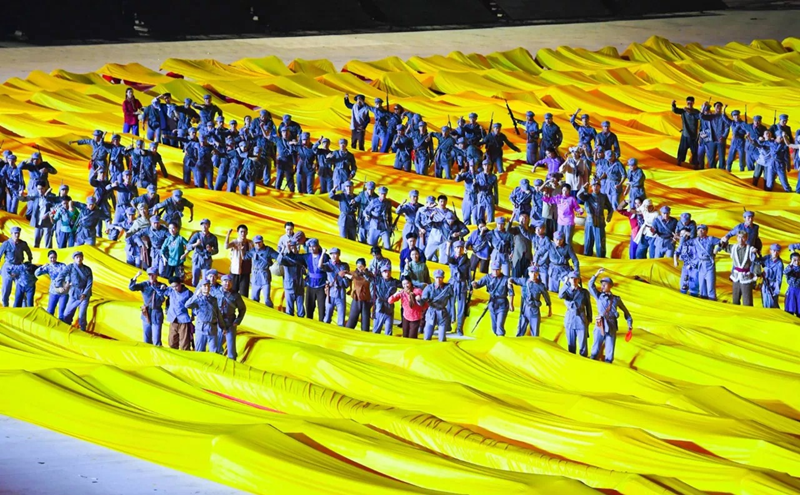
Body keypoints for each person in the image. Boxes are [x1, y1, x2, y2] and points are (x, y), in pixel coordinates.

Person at [587, 268, 633, 364]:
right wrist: (596, 274)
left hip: (611, 325)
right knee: (595, 348)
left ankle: (608, 365)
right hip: (600, 324)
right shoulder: (598, 296)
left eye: (605, 284)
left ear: (610, 286)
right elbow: (590, 285)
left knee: (610, 351)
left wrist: (629, 323)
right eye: (602, 284)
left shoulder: (616, 299)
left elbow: (626, 312)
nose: (603, 285)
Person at [715, 231, 758, 306]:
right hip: (736, 277)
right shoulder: (733, 248)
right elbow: (723, 247)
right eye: (739, 237)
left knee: (747, 301)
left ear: (746, 238)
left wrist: (756, 274)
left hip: (746, 277)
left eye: (743, 237)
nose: (741, 239)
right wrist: (723, 241)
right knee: (735, 300)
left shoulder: (750, 249)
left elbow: (756, 262)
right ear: (737, 238)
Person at [473, 261, 514, 337]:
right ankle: (497, 337)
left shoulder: (505, 279)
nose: (495, 272)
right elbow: (478, 285)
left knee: (499, 326)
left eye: (497, 270)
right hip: (492, 303)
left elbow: (511, 292)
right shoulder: (487, 277)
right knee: (494, 327)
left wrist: (511, 304)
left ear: (500, 269)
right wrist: (474, 284)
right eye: (493, 270)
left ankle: (500, 340)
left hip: (502, 304)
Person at [55, 251, 93, 331]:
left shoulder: (87, 269)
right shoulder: (70, 267)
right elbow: (61, 275)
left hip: (84, 294)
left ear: (83, 258)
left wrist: (85, 293)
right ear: (74, 259)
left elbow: (89, 283)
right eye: (77, 257)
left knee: (82, 315)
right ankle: (67, 328)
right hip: (74, 293)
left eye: (80, 257)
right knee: (67, 313)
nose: (79, 259)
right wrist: (59, 285)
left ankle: (83, 329)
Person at [129, 267, 167, 346]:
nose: (151, 277)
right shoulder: (145, 284)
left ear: (157, 275)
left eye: (153, 275)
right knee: (146, 338)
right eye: (149, 275)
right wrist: (136, 276)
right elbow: (132, 287)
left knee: (156, 339)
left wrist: (159, 289)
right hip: (146, 312)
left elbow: (165, 295)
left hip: (156, 312)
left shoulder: (161, 285)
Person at [509, 266, 551, 337]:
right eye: (532, 272)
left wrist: (549, 308)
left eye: (535, 273)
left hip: (534, 310)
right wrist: (509, 281)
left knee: (535, 333)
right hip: (524, 309)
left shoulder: (541, 286)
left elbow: (546, 297)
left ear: (538, 274)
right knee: (520, 331)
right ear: (528, 273)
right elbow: (513, 279)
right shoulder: (524, 281)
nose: (533, 274)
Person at [559, 271, 592, 356]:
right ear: (569, 279)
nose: (574, 280)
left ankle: (583, 360)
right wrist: (566, 284)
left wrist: (589, 319)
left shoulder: (584, 292)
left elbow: (588, 306)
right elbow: (560, 295)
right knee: (571, 346)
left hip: (581, 319)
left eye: (576, 278)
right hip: (570, 320)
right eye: (571, 278)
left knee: (583, 346)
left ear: (579, 280)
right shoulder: (566, 291)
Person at [577, 180, 613, 258]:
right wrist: (583, 188)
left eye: (597, 185)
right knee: (588, 241)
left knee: (600, 242)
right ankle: (587, 257)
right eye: (594, 185)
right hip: (590, 221)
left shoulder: (604, 196)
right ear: (591, 187)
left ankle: (601, 258)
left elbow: (610, 207)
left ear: (600, 187)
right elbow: (579, 195)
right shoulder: (587, 196)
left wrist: (609, 216)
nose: (595, 187)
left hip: (600, 221)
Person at [185, 279, 221, 352]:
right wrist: (196, 295)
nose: (206, 288)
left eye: (208, 286)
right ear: (201, 287)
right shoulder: (197, 299)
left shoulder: (214, 300)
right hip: (201, 327)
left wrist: (223, 326)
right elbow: (187, 305)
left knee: (214, 350)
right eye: (204, 286)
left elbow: (218, 313)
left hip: (212, 327)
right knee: (199, 350)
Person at [0, 226, 33, 307]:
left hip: (19, 267)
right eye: (15, 233)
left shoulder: (23, 244)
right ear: (11, 234)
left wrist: (29, 262)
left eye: (18, 233)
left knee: (22, 288)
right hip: (8, 267)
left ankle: (23, 307)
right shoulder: (6, 244)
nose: (17, 235)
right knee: (6, 289)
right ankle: (5, 306)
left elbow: (29, 252)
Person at [216, 274, 246, 360]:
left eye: (229, 282)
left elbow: (242, 309)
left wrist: (237, 321)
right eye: (225, 281)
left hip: (230, 323)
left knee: (231, 349)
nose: (227, 283)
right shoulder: (216, 293)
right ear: (221, 282)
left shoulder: (236, 296)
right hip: (218, 323)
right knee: (216, 347)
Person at [246, 235, 279, 308]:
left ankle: (270, 312)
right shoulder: (253, 251)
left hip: (264, 276)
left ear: (262, 241)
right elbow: (245, 257)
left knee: (267, 299)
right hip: (255, 277)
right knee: (254, 299)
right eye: (256, 243)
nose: (258, 244)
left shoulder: (268, 250)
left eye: (259, 242)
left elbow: (278, 257)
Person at [418, 269, 452, 341]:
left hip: (442, 312)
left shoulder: (448, 288)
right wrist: (419, 300)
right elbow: (423, 301)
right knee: (427, 336)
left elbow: (452, 302)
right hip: (431, 311)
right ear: (434, 278)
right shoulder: (429, 288)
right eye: (437, 278)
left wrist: (452, 316)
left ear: (443, 278)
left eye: (440, 278)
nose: (438, 280)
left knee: (442, 338)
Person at [276, 239, 307, 317]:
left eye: (294, 247)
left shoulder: (300, 258)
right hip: (289, 286)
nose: (292, 249)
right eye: (291, 247)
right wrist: (282, 250)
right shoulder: (286, 258)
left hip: (299, 287)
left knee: (301, 311)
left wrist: (306, 280)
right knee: (289, 311)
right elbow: (279, 260)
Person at [446, 240, 471, 336]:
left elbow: (469, 275)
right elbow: (449, 260)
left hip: (462, 285)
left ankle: (459, 328)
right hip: (453, 283)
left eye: (461, 248)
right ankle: (447, 324)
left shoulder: (467, 261)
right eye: (457, 247)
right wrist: (448, 247)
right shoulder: (452, 259)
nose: (459, 249)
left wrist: (470, 286)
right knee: (449, 305)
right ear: (454, 249)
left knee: (461, 307)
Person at [301, 239, 330, 321]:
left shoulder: (325, 256)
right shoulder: (307, 256)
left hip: (321, 286)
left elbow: (330, 268)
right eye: (310, 247)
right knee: (309, 307)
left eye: (314, 246)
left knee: (322, 308)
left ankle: (321, 324)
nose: (312, 249)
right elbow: (296, 258)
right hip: (310, 285)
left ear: (317, 246)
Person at [35, 250, 68, 318]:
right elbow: (36, 273)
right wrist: (43, 266)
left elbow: (68, 275)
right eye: (51, 258)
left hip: (63, 291)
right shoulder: (48, 267)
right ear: (48, 258)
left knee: (62, 312)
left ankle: (61, 324)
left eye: (54, 257)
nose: (53, 259)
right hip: (53, 291)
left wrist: (66, 286)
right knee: (50, 311)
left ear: (56, 257)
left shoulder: (62, 265)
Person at [322, 247, 350, 327]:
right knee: (327, 316)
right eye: (331, 254)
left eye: (335, 254)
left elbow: (347, 282)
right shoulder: (328, 265)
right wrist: (323, 253)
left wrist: (344, 277)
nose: (333, 256)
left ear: (339, 255)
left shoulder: (344, 265)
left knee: (341, 318)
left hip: (340, 292)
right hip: (331, 293)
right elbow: (320, 266)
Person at [163, 276, 193, 350]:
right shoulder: (170, 290)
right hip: (173, 319)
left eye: (176, 286)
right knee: (172, 342)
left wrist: (193, 315)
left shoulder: (187, 293)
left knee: (184, 344)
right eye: (172, 287)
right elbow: (160, 292)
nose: (174, 288)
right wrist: (162, 286)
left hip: (183, 320)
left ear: (180, 284)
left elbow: (195, 304)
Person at [187, 219, 219, 287]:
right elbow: (188, 246)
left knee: (206, 279)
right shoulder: (196, 235)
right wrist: (196, 244)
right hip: (197, 259)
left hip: (206, 260)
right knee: (195, 277)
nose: (204, 226)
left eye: (206, 224)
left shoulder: (213, 238)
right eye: (202, 224)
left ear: (209, 226)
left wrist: (211, 250)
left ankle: (204, 291)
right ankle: (195, 291)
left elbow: (216, 250)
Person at [225, 225, 254, 296]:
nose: (243, 234)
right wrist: (228, 234)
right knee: (232, 292)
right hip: (235, 271)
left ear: (247, 233)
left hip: (246, 271)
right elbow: (226, 246)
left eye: (244, 232)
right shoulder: (235, 242)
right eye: (241, 232)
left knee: (244, 294)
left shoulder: (250, 243)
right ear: (238, 232)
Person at [344, 258, 373, 331]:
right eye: (358, 266)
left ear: (364, 266)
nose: (359, 268)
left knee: (365, 323)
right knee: (351, 321)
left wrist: (365, 273)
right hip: (356, 299)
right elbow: (343, 274)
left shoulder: (369, 274)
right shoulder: (354, 273)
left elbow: (372, 280)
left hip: (366, 300)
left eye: (361, 266)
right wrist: (347, 276)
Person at [672, 96, 701, 167]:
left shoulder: (696, 112)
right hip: (685, 135)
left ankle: (695, 165)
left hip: (693, 136)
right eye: (688, 103)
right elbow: (675, 110)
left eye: (691, 103)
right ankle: (679, 162)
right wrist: (673, 104)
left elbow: (699, 116)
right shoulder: (683, 111)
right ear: (686, 103)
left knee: (695, 151)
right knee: (682, 150)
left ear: (693, 103)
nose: (689, 104)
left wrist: (689, 111)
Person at [372, 266, 400, 336]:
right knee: (376, 331)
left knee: (388, 332)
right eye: (385, 272)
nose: (387, 273)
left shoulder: (394, 282)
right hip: (379, 309)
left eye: (389, 271)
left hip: (389, 309)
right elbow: (367, 276)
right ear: (381, 273)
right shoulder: (377, 280)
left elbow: (406, 284)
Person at [674, 229, 699, 297]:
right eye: (681, 234)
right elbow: (676, 252)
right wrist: (675, 261)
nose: (682, 236)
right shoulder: (682, 244)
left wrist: (691, 264)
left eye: (684, 234)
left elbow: (697, 256)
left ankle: (694, 295)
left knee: (693, 283)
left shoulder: (695, 243)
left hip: (694, 267)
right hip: (685, 265)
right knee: (683, 283)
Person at [760, 244, 784, 309]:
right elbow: (758, 261)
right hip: (765, 283)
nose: (775, 253)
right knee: (765, 301)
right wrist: (754, 253)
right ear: (770, 251)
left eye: (777, 251)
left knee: (772, 303)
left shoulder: (779, 263)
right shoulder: (767, 258)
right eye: (774, 250)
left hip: (773, 285)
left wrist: (776, 290)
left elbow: (779, 278)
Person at [784, 252, 800, 317]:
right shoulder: (790, 268)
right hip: (792, 290)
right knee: (790, 308)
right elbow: (785, 272)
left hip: (799, 290)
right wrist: (791, 264)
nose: (797, 262)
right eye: (795, 260)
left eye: (798, 260)